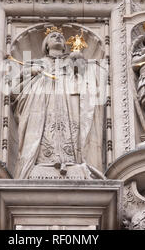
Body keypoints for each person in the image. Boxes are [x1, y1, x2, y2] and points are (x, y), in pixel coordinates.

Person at [10, 27, 105, 179]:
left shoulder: (72, 59)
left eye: (61, 36)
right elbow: (15, 90)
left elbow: (85, 78)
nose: (58, 37)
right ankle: (41, 162)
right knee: (43, 127)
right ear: (46, 45)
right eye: (53, 36)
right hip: (42, 99)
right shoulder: (36, 63)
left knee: (73, 127)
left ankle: (73, 162)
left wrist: (79, 60)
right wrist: (29, 72)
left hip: (69, 96)